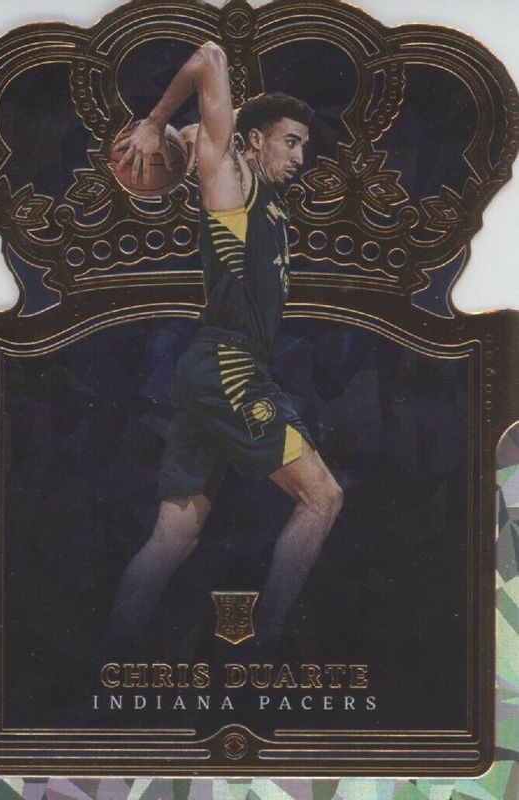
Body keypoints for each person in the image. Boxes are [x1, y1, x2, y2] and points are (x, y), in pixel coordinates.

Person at [108, 42, 343, 649]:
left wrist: (189, 136)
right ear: (255, 140)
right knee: (322, 498)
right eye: (290, 141)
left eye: (304, 146)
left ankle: (105, 653)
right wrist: (156, 124)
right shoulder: (231, 184)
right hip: (229, 365)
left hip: (211, 370)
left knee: (174, 538)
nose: (299, 156)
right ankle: (265, 650)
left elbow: (215, 131)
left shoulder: (260, 194)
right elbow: (210, 58)